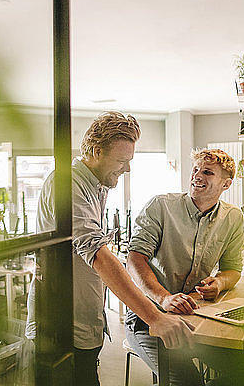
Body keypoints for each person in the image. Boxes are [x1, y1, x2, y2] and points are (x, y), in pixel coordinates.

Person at [26, 111, 194, 386]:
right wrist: (155, 318)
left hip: (84, 323)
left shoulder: (96, 185)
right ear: (95, 151)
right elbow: (98, 256)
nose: (126, 169)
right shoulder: (66, 183)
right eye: (121, 161)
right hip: (59, 329)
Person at [125, 148, 244, 386]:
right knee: (187, 382)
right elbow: (134, 259)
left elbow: (233, 269)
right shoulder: (161, 206)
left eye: (208, 172)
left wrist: (219, 283)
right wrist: (164, 298)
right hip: (148, 317)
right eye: (196, 170)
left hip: (194, 314)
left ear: (226, 184)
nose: (197, 176)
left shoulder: (233, 218)